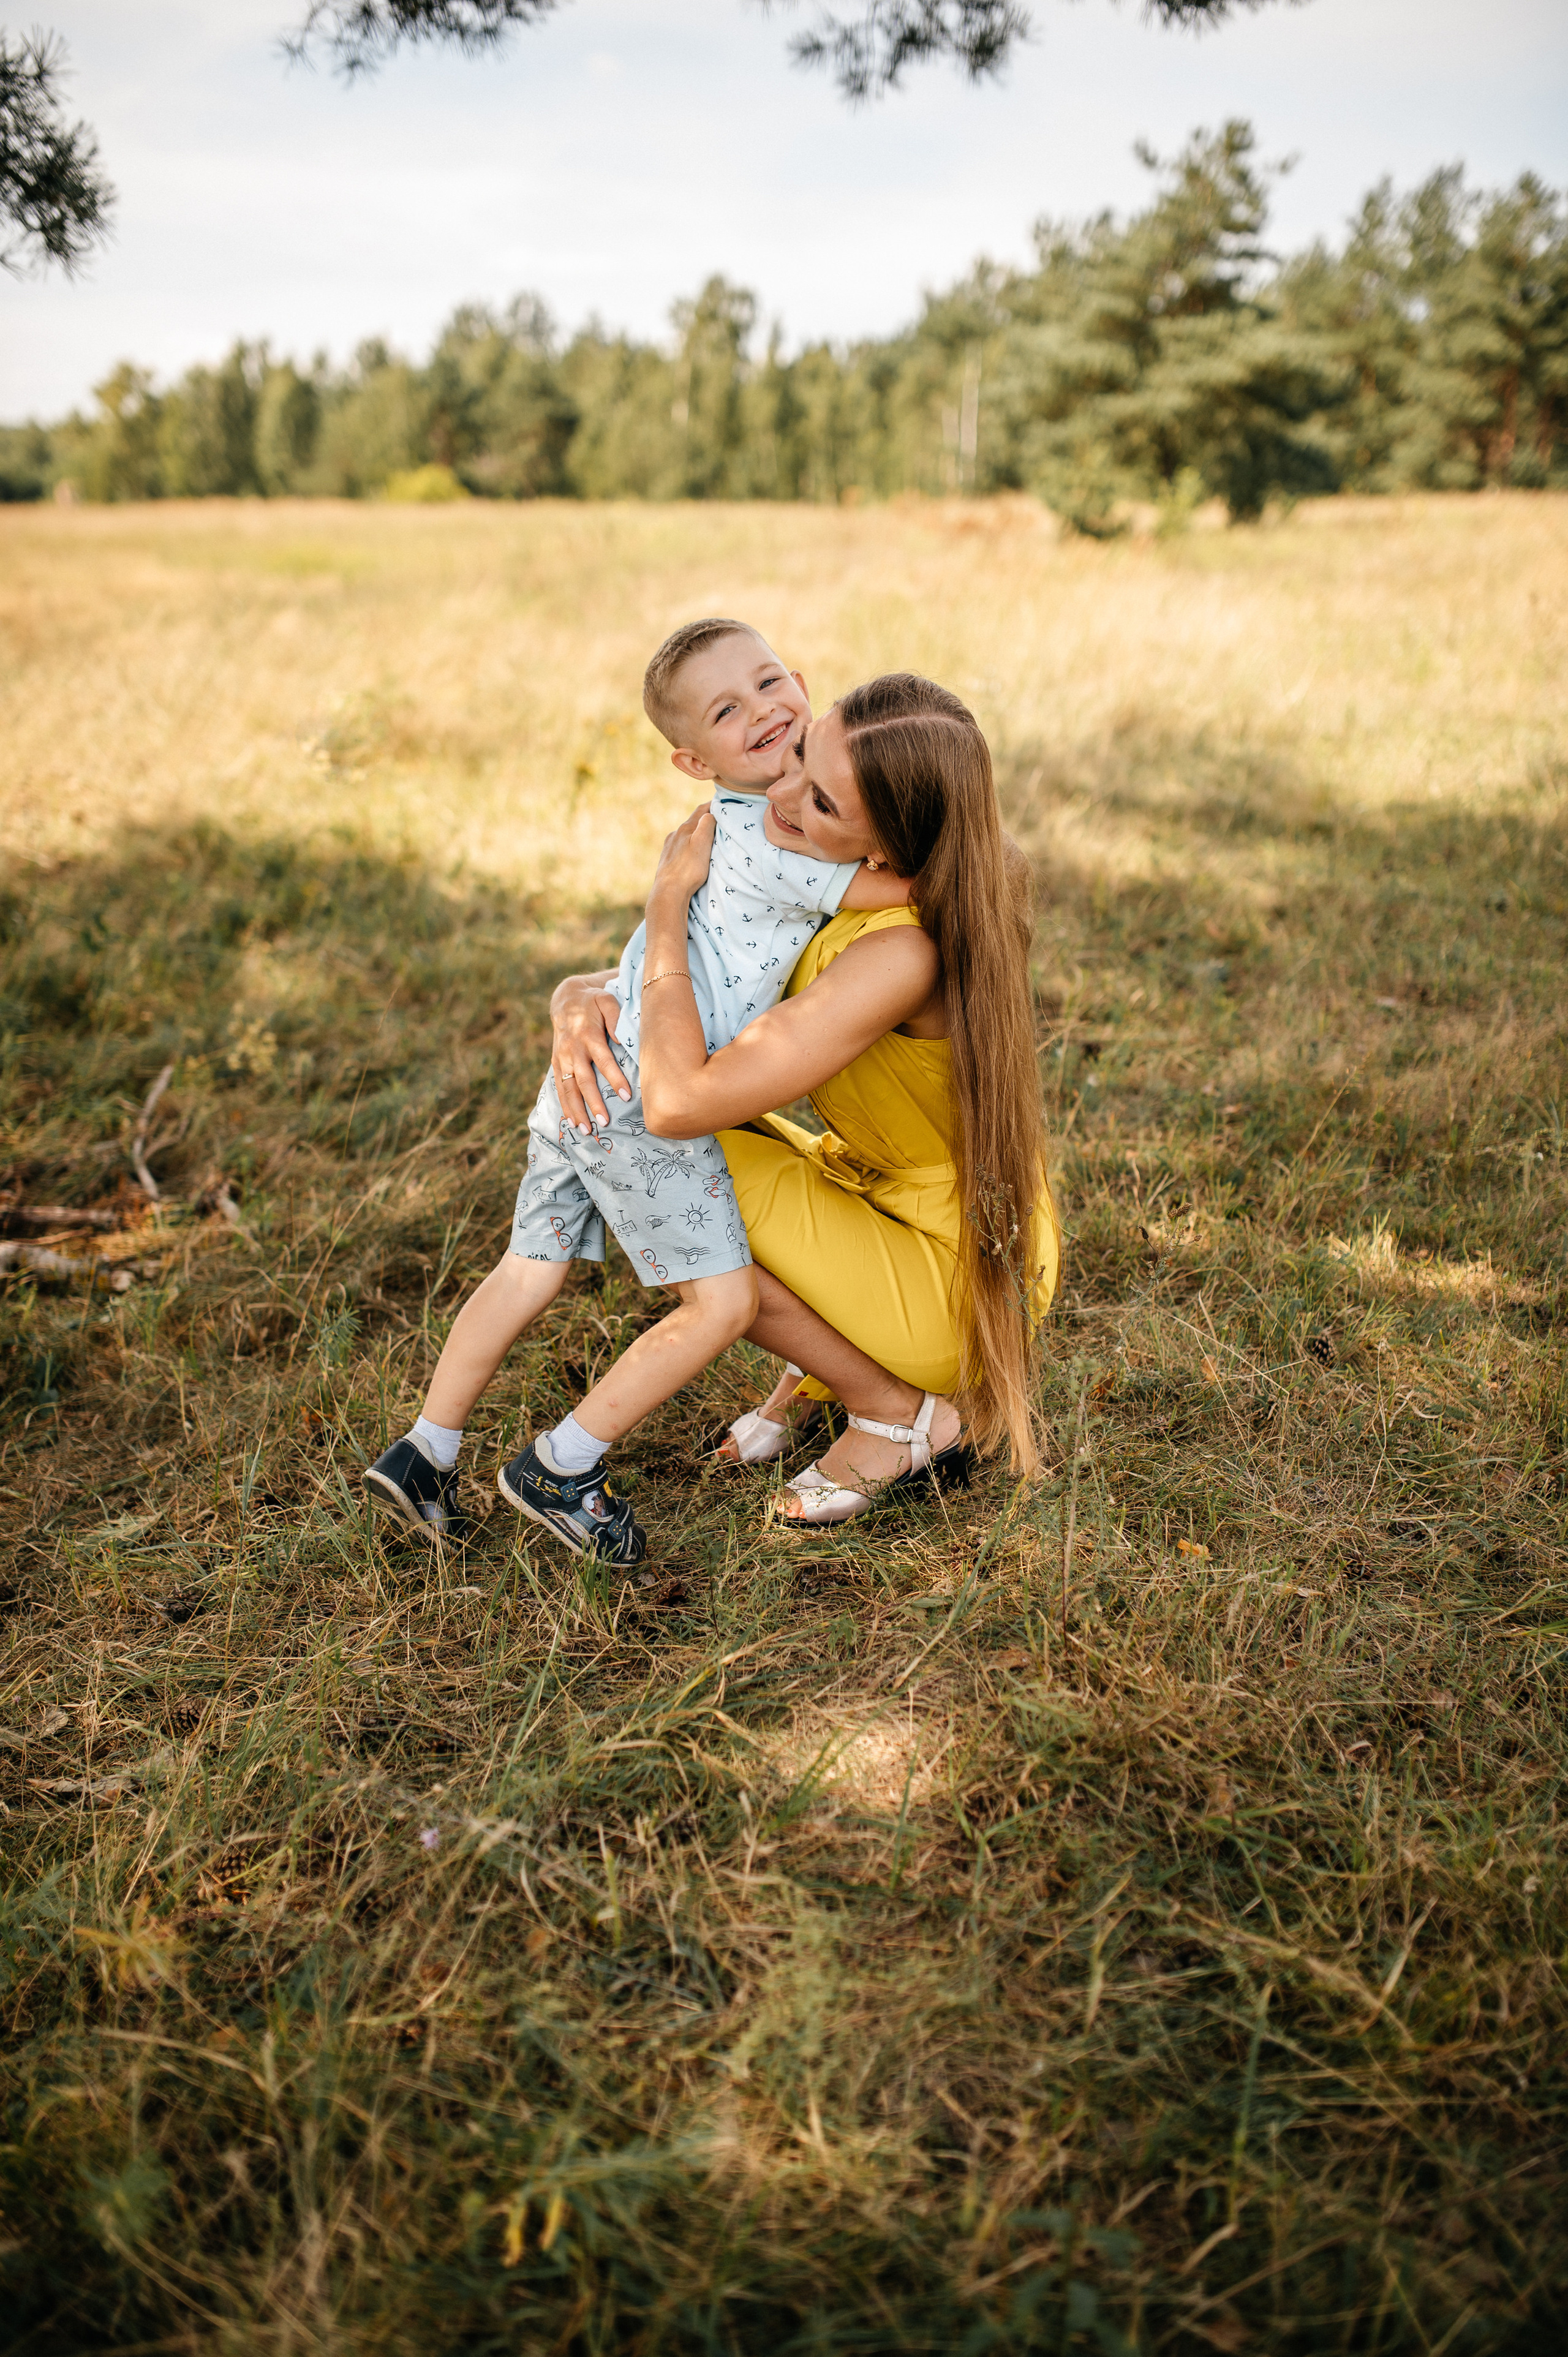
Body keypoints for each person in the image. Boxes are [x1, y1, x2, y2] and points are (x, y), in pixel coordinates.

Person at [361, 618, 903, 1561]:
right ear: (694, 762)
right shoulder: (783, 839)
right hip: (641, 1100)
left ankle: (425, 1451)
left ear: (805, 683)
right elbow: (902, 888)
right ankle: (563, 1465)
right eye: (729, 713)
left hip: (588, 1074)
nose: (764, 713)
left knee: (531, 1268)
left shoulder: (732, 823)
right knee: (723, 1307)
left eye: (772, 684)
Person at [549, 673, 1059, 1523]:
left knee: (651, 1149)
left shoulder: (902, 952)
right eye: (796, 755)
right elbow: (692, 993)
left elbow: (678, 1102)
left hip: (955, 1269)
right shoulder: (827, 866)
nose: (779, 793)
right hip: (882, 1194)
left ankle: (895, 1416)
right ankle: (825, 1372)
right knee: (657, 1122)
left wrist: (667, 904)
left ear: (887, 854)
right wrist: (574, 996)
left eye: (818, 799)